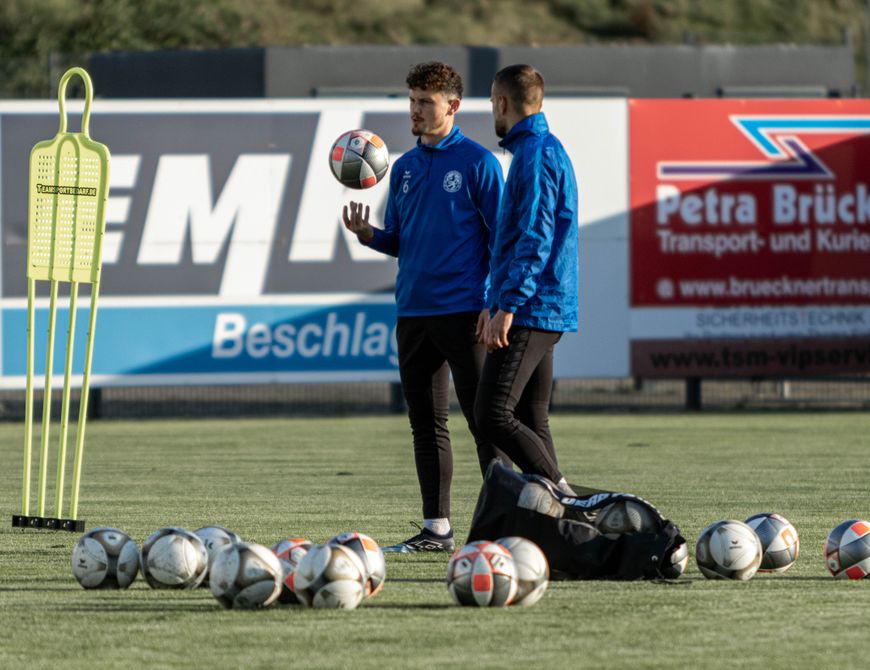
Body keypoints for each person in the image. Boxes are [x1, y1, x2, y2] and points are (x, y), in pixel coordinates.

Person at [342, 61, 507, 552]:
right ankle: (437, 529)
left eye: (425, 102)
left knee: (486, 422)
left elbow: (503, 240)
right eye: (411, 100)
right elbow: (402, 241)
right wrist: (370, 235)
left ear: (451, 107)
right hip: (413, 313)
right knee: (426, 423)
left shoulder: (479, 163)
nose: (414, 110)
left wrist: (493, 303)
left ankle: (506, 525)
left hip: (465, 313)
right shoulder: (406, 167)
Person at [475, 64, 579, 495]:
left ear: (502, 103)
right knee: (533, 419)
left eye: (491, 105)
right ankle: (563, 529)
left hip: (533, 306)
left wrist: (508, 306)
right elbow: (516, 238)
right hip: (539, 304)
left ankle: (566, 497)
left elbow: (534, 237)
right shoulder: (539, 149)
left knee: (492, 414)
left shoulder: (534, 155)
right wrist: (491, 299)